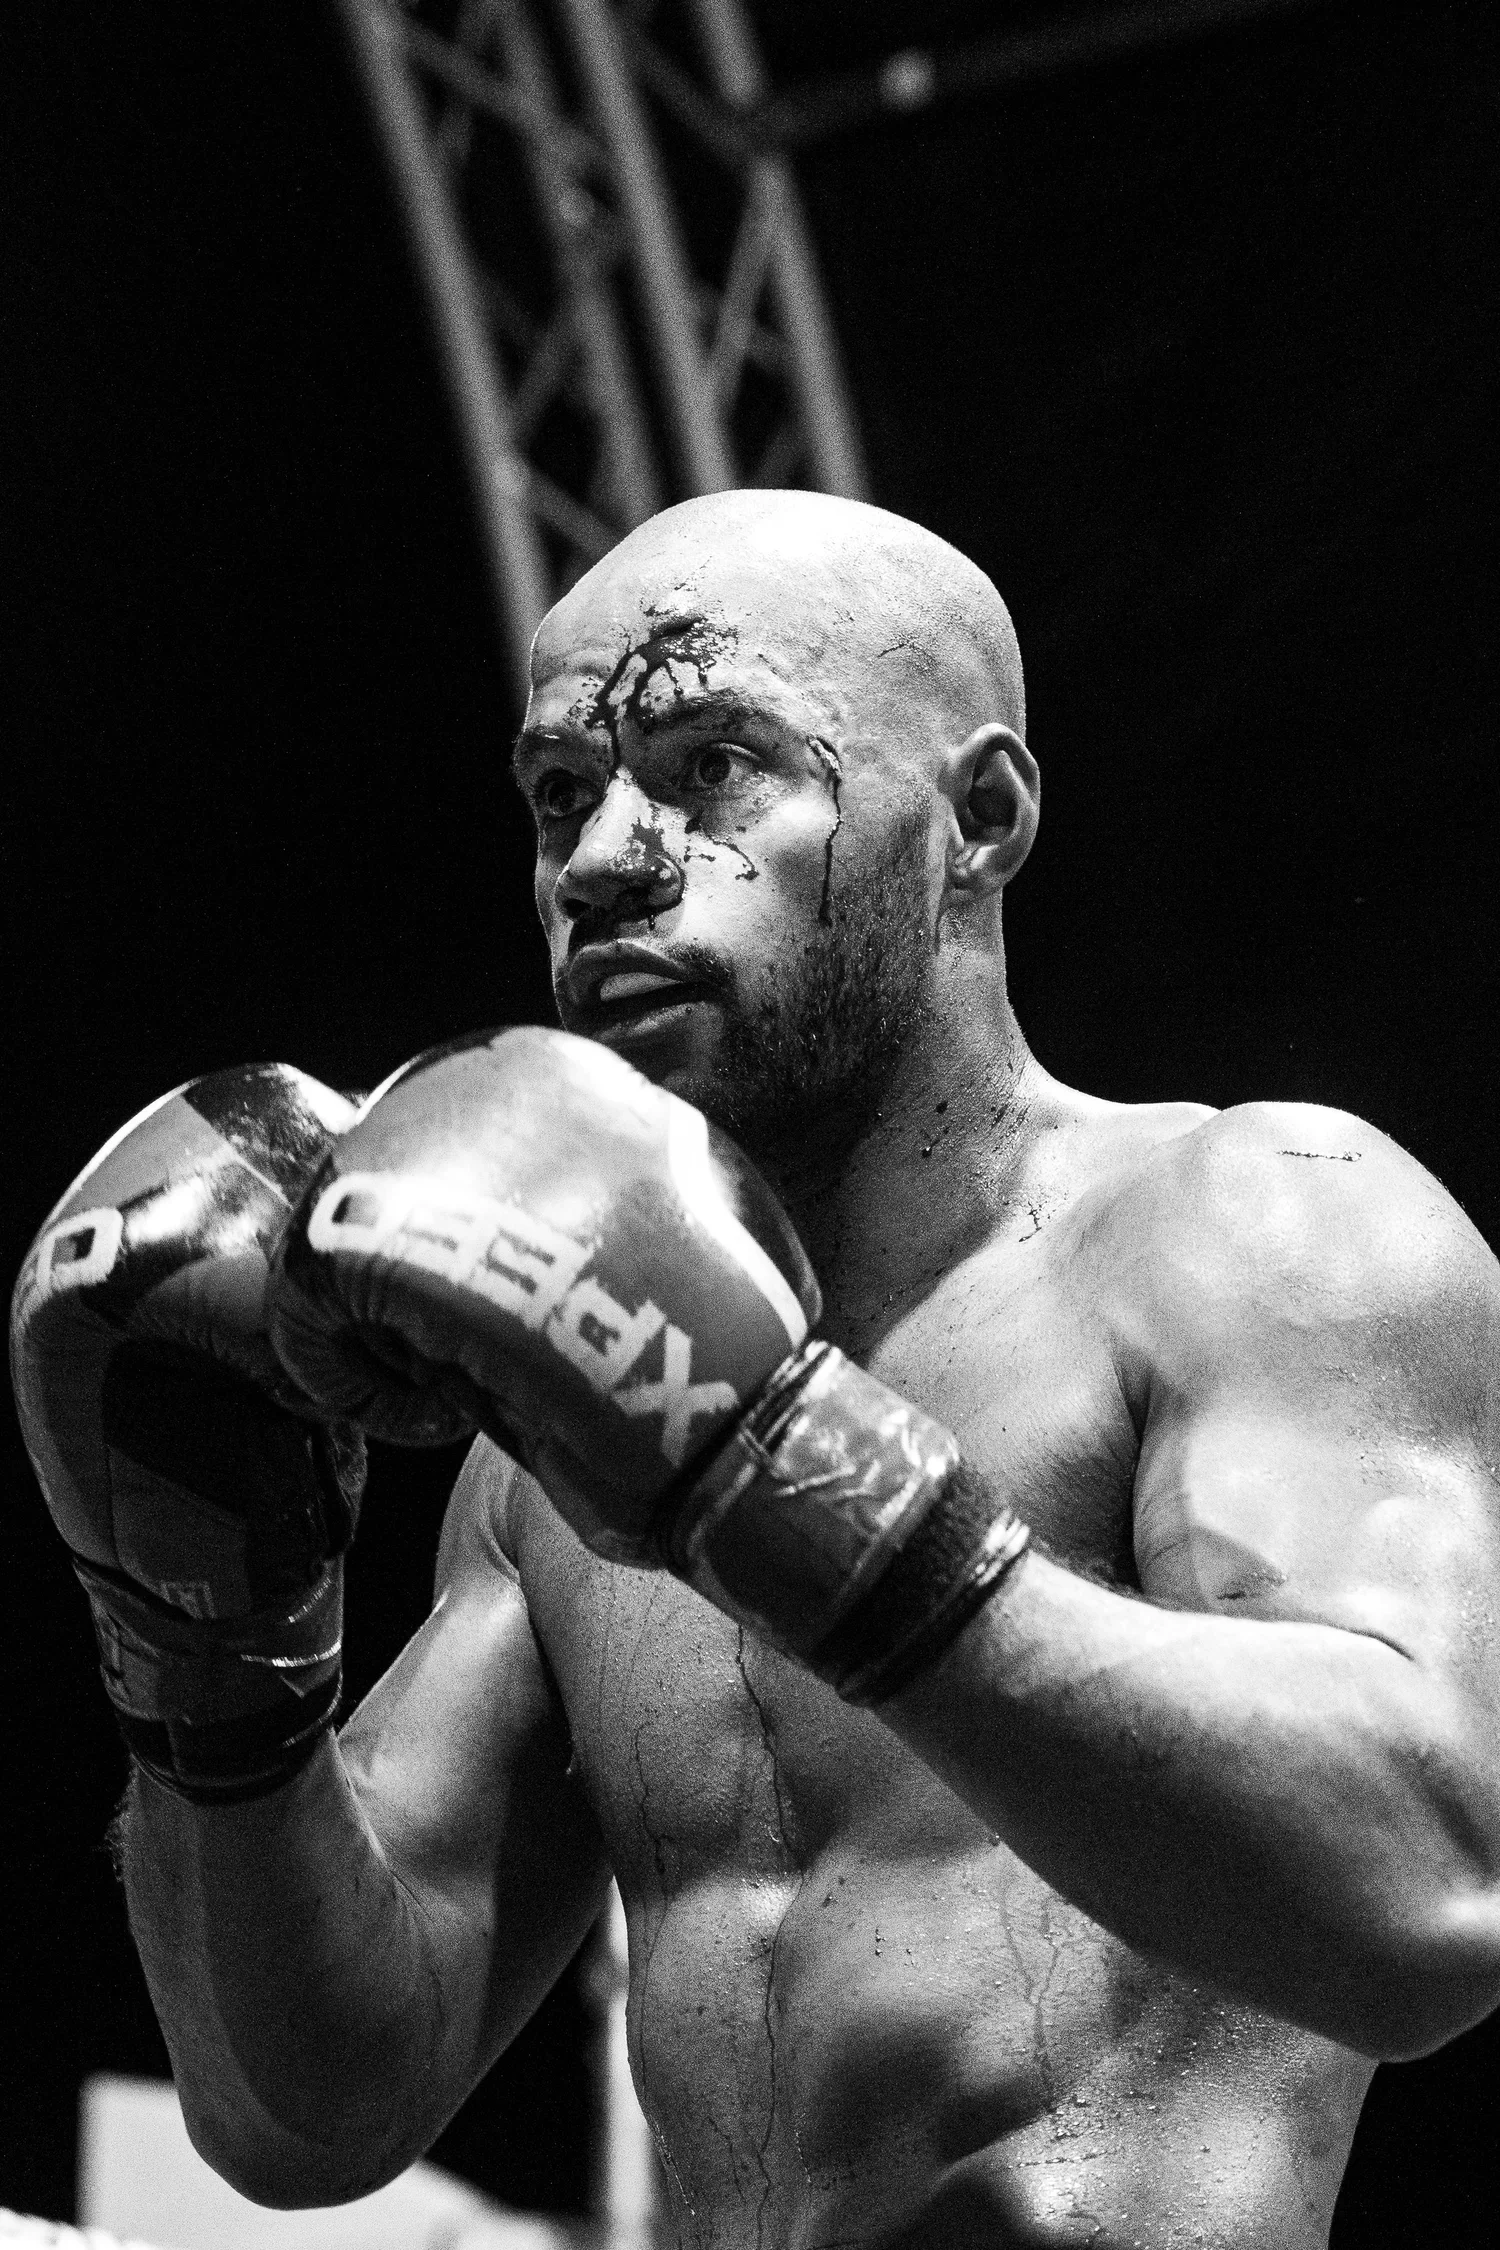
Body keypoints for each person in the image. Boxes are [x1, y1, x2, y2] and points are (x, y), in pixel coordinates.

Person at [15, 491, 1500, 2249]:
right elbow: (306, 2108)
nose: (604, 860)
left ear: (985, 817)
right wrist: (209, 1641)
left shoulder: (1252, 1227)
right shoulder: (541, 1459)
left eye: (713, 762)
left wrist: (776, 1458)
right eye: (563, 793)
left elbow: (1432, 1892)